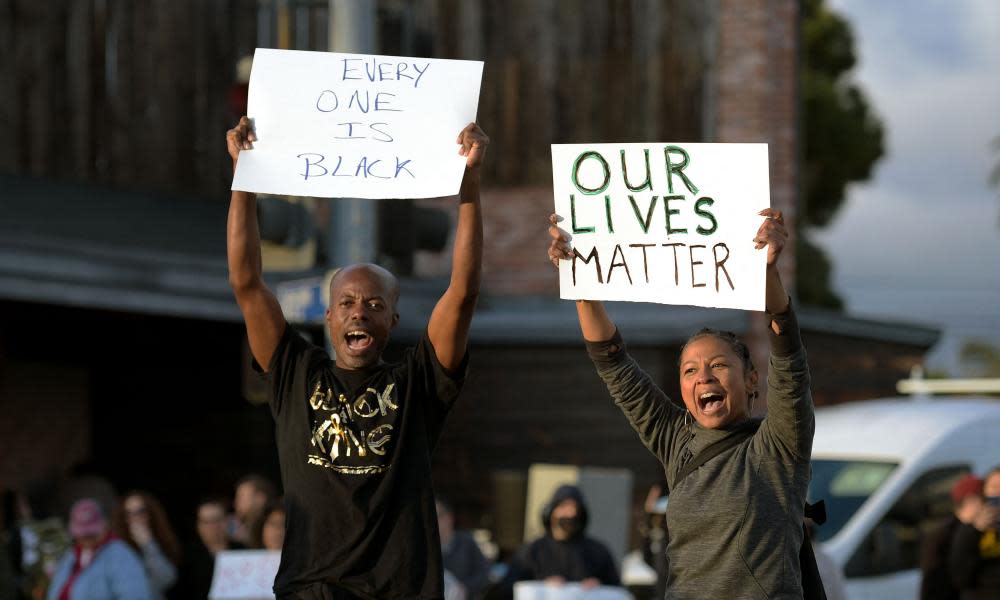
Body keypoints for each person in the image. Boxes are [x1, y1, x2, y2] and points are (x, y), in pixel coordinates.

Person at [225, 115, 488, 599]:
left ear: (393, 320)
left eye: (374, 305)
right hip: (312, 590)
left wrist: (468, 179)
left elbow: (464, 291)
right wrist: (244, 177)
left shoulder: (418, 382)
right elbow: (246, 282)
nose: (359, 313)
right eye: (347, 303)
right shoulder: (293, 373)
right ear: (328, 317)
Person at [547, 207, 815, 598]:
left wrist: (768, 273)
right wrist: (580, 282)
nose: (703, 376)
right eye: (690, 371)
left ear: (751, 378)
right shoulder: (676, 440)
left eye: (718, 365)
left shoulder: (779, 445)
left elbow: (790, 359)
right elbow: (613, 363)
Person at [498, 484, 619, 596]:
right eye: (564, 507)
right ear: (551, 512)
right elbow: (509, 588)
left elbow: (617, 590)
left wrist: (600, 586)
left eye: (575, 508)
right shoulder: (532, 551)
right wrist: (542, 586)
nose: (571, 514)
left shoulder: (598, 551)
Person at [46, 498, 152, 599]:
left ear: (105, 525)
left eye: (92, 534)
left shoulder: (120, 556)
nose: (87, 539)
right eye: (82, 534)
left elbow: (135, 596)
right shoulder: (72, 555)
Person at [920, 474, 984, 599]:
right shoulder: (941, 536)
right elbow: (933, 585)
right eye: (985, 499)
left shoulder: (980, 529)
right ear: (971, 501)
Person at [113, 490, 182, 600]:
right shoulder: (117, 547)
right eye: (128, 513)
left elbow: (167, 579)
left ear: (150, 514)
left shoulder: (162, 540)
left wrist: (149, 545)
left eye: (141, 512)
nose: (135, 518)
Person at [173, 497, 245, 600]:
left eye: (217, 520)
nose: (213, 526)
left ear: (227, 521)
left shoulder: (242, 550)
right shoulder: (186, 556)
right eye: (207, 521)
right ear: (198, 525)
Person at [949, 466, 1000, 600]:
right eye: (994, 487)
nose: (998, 493)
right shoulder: (968, 528)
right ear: (984, 492)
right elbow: (960, 578)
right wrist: (975, 531)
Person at [436, 498, 490, 599]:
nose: (434, 521)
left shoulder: (466, 542)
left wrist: (465, 587)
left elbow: (484, 574)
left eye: (438, 516)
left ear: (449, 517)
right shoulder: (427, 550)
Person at [230, 474, 277, 546]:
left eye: (241, 497)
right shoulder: (234, 528)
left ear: (260, 498)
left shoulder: (277, 525)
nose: (236, 502)